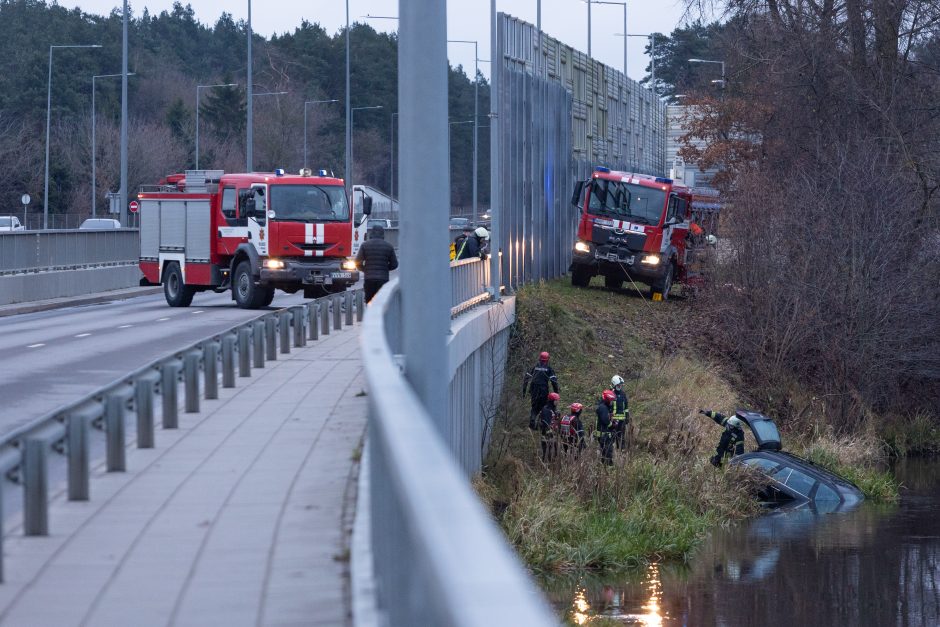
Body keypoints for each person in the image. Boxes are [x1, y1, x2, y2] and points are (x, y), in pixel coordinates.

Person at [355, 224, 399, 303]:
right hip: (383, 279)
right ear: (383, 234)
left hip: (369, 279)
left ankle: (370, 315)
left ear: (371, 233)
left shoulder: (365, 245)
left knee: (369, 302)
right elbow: (395, 264)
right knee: (381, 302)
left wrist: (366, 270)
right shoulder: (388, 246)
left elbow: (357, 262)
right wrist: (385, 268)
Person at [522, 351, 560, 430]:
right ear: (547, 359)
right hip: (543, 390)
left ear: (540, 359)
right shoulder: (549, 368)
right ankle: (544, 425)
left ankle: (532, 423)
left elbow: (526, 379)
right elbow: (554, 382)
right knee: (544, 407)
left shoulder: (534, 367)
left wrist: (524, 392)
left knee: (534, 407)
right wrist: (556, 393)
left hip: (534, 389)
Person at [595, 390, 616, 465]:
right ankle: (608, 468)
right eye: (610, 401)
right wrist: (612, 425)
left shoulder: (603, 407)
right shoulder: (603, 408)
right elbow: (605, 421)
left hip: (604, 434)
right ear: (607, 400)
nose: (611, 403)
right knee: (608, 453)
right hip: (604, 434)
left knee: (605, 453)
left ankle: (604, 467)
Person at [539, 392, 561, 462]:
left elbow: (555, 421)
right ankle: (546, 468)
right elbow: (546, 424)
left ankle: (552, 468)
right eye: (556, 400)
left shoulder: (553, 409)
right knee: (547, 453)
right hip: (547, 437)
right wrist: (551, 434)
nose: (557, 402)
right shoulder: (546, 410)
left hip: (554, 435)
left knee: (555, 454)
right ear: (552, 401)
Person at [610, 375, 630, 450]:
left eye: (621, 385)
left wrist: (627, 416)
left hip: (622, 420)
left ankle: (622, 452)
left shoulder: (623, 394)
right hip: (613, 421)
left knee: (621, 437)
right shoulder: (610, 394)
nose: (620, 387)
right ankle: (612, 452)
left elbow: (626, 406)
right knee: (612, 437)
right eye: (618, 385)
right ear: (614, 384)